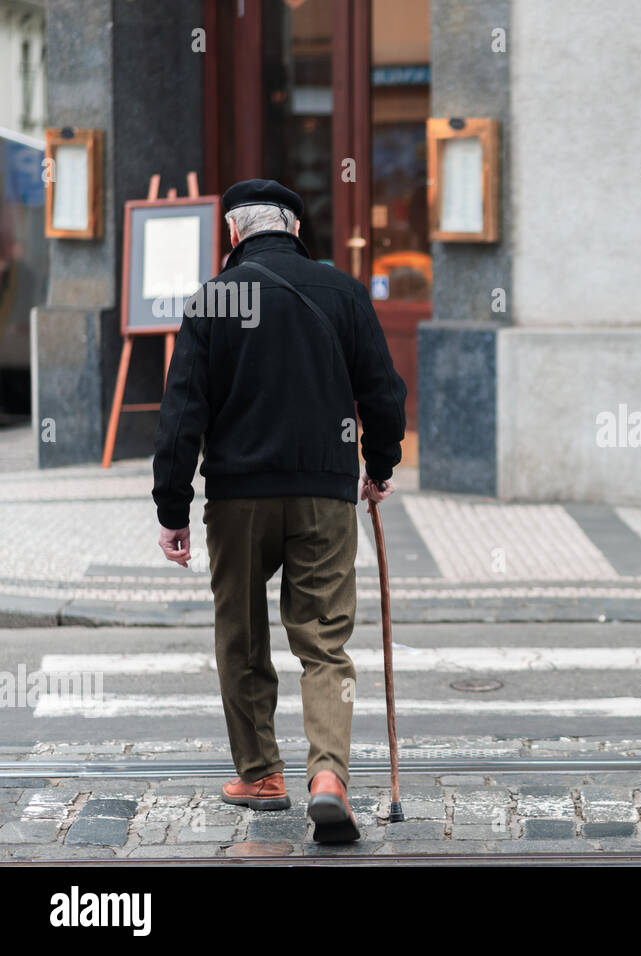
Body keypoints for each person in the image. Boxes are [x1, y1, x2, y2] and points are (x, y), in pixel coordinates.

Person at [151, 179, 407, 842]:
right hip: (324, 490)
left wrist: (172, 507)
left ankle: (262, 774)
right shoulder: (344, 292)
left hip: (238, 497)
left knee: (241, 631)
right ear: (295, 230)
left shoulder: (215, 299)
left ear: (234, 234)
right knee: (323, 641)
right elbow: (383, 392)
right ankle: (328, 777)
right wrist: (378, 469)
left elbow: (182, 414)